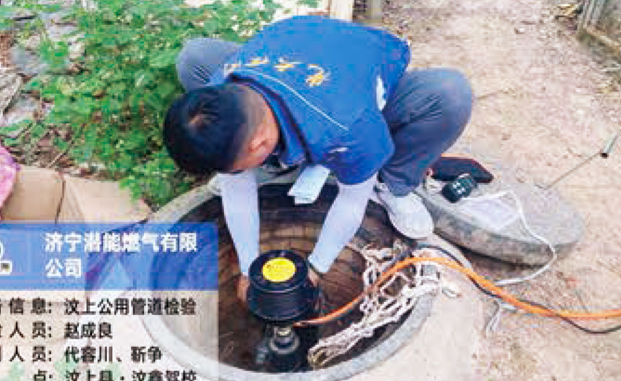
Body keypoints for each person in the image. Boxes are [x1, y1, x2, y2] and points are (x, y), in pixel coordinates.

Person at [163, 15, 473, 299]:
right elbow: (236, 191)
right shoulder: (221, 91)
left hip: (361, 76)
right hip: (300, 56)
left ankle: (394, 184)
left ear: (259, 143)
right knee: (195, 57)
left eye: (233, 170)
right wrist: (248, 270)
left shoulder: (350, 127)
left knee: (451, 94)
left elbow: (351, 201)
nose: (231, 177)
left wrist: (315, 269)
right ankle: (278, 159)